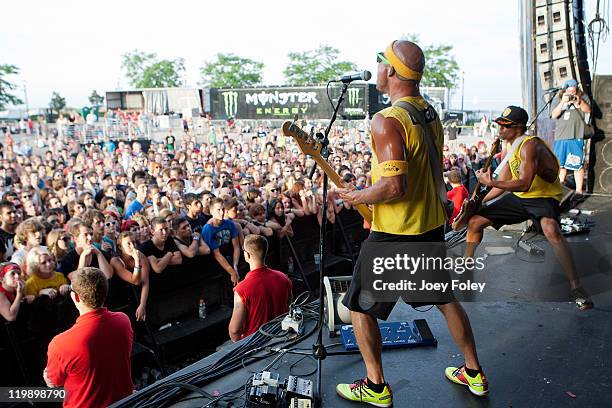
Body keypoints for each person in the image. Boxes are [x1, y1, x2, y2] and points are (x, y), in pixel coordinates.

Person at [336, 40, 488, 406]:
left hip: (395, 234)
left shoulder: (387, 120)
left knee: (359, 308)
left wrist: (357, 196)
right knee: (445, 299)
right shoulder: (428, 112)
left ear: (390, 72)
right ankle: (473, 372)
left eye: (380, 63)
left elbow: (393, 185)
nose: (377, 70)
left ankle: (375, 386)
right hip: (430, 227)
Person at [465, 105, 594, 310]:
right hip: (520, 197)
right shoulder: (511, 147)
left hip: (542, 197)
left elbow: (524, 182)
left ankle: (576, 287)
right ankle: (466, 269)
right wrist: (479, 202)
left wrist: (490, 182)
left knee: (552, 231)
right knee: (474, 222)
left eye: (504, 125)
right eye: (499, 124)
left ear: (517, 127)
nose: (500, 128)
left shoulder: (529, 145)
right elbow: (504, 182)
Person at [44, 267, 134, 408]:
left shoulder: (60, 343)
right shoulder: (123, 321)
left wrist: (47, 378)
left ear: (76, 297)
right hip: (126, 402)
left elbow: (54, 382)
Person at [229, 235, 291, 341]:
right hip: (281, 338)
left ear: (246, 255)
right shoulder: (284, 278)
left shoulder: (241, 289)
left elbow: (234, 331)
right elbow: (289, 307)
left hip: (255, 344)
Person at [550, 79, 592, 196]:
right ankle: (559, 187)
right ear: (564, 90)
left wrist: (578, 101)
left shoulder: (582, 96)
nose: (571, 94)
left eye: (573, 92)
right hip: (561, 136)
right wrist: (563, 102)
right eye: (569, 92)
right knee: (561, 164)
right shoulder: (558, 97)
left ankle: (579, 191)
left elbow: (588, 110)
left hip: (576, 134)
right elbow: (553, 115)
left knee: (577, 163)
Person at [202, 198, 240, 285]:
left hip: (230, 257)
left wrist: (235, 266)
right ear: (211, 211)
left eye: (223, 209)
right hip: (215, 264)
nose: (222, 212)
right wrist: (232, 272)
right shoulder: (208, 228)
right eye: (218, 210)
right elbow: (217, 254)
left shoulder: (229, 224)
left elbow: (236, 246)